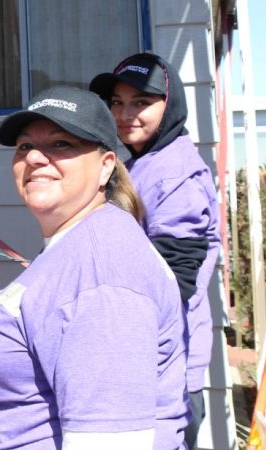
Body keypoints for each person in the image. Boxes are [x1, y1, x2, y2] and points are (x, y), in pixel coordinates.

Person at [0, 86, 188, 449]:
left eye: (62, 144)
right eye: (25, 146)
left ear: (106, 166)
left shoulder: (102, 277)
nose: (35, 159)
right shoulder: (75, 242)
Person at [91, 53, 221, 449]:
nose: (125, 113)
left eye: (141, 103)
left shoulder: (175, 172)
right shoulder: (144, 162)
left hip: (163, 372)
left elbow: (173, 280)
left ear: (171, 106)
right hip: (142, 364)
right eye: (117, 102)